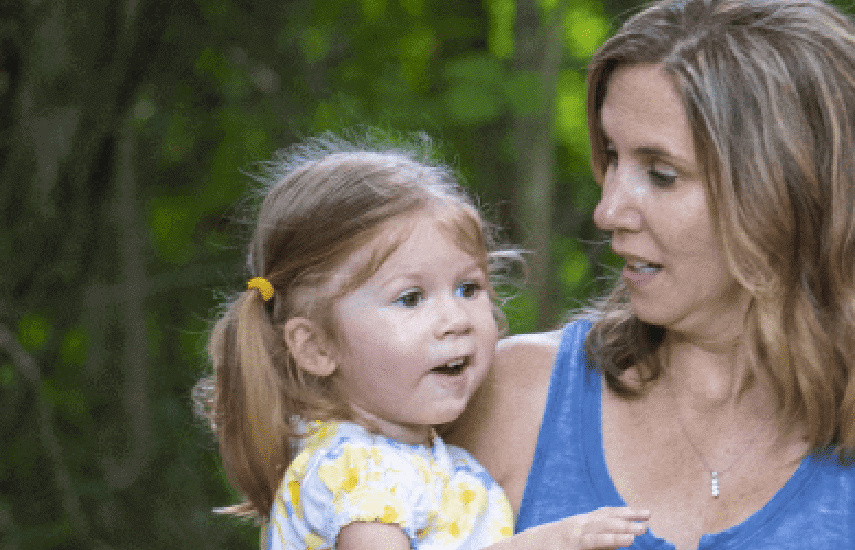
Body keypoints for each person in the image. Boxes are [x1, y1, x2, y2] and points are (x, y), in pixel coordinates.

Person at [448, 0, 855, 550]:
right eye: (614, 159)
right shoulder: (515, 395)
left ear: (789, 193)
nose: (608, 210)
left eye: (662, 174)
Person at [194, 134, 650, 550]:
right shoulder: (356, 470)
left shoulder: (424, 459)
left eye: (469, 288)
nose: (455, 319)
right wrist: (547, 543)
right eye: (410, 298)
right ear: (316, 348)